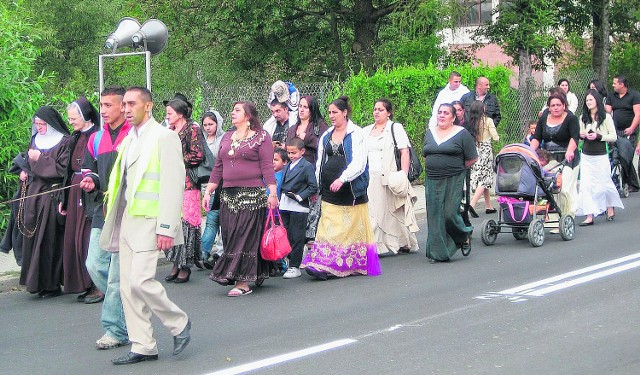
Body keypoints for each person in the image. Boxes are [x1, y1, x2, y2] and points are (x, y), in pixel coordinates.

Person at [100, 86, 191, 365]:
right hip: (127, 220)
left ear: (148, 106)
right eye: (123, 105)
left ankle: (179, 323)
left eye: (131, 104)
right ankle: (143, 345)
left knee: (141, 281)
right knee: (128, 287)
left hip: (151, 222)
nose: (126, 109)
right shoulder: (129, 140)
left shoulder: (164, 137)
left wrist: (167, 227)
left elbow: (174, 184)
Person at [203, 101, 278, 297]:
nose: (232, 113)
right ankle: (255, 271)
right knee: (230, 236)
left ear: (248, 116)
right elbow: (218, 166)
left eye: (237, 110)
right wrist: (209, 191)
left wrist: (272, 192)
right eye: (233, 109)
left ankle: (242, 282)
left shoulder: (262, 137)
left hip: (252, 196)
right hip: (228, 195)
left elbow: (267, 167)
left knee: (243, 236)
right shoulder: (227, 137)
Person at [301, 96, 381, 279]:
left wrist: (342, 179)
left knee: (347, 231)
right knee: (327, 226)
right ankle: (322, 264)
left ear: (345, 113)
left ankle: (346, 263)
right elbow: (320, 161)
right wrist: (317, 185)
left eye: (335, 112)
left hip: (351, 190)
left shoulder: (356, 134)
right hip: (329, 191)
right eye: (329, 112)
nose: (331, 116)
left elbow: (359, 163)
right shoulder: (327, 135)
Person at [80, 86, 131, 348]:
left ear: (123, 107)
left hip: (128, 213)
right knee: (94, 264)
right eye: (101, 105)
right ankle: (127, 301)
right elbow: (89, 170)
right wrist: (90, 180)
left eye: (108, 105)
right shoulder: (96, 139)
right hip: (103, 210)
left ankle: (115, 330)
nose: (103, 110)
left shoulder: (134, 136)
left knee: (114, 278)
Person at [19, 106, 71, 298]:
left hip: (52, 195)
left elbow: (62, 170)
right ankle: (37, 282)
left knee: (49, 241)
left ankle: (51, 284)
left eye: (42, 124)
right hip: (34, 195)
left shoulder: (64, 142)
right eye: (37, 124)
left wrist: (41, 159)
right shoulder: (35, 140)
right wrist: (24, 171)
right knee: (33, 240)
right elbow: (28, 162)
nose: (39, 128)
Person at [422, 103, 477, 263]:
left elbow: (472, 158)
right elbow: (426, 154)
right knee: (434, 215)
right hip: (432, 178)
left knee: (448, 214)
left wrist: (455, 168)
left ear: (453, 118)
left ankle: (463, 235)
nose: (442, 115)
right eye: (440, 112)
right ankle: (438, 252)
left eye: (446, 113)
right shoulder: (430, 132)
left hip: (453, 178)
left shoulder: (462, 134)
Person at [363, 98, 419, 256]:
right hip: (370, 177)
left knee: (395, 210)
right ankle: (374, 245)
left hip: (390, 175)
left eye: (380, 110)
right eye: (375, 109)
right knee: (374, 211)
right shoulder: (366, 130)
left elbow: (404, 151)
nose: (376, 112)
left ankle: (405, 241)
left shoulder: (395, 128)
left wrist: (403, 175)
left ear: (388, 113)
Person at [61, 97, 100, 301]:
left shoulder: (97, 136)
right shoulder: (74, 137)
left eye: (74, 118)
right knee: (74, 240)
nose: (71, 122)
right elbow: (67, 170)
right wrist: (64, 198)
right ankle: (83, 283)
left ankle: (97, 284)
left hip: (91, 191)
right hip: (75, 189)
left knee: (87, 239)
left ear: (85, 116)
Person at [163, 99, 205, 284]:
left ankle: (185, 264)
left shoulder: (192, 129)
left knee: (187, 225)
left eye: (170, 113)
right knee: (172, 222)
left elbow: (197, 154)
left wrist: (176, 158)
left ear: (180, 114)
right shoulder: (168, 131)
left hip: (188, 183)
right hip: (170, 182)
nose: (167, 116)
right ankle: (175, 262)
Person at [529, 91, 580, 218]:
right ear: (549, 107)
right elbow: (537, 138)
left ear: (564, 106)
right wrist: (528, 152)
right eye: (553, 105)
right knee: (550, 188)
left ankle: (567, 216)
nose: (556, 108)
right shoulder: (543, 118)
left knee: (564, 189)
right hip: (549, 158)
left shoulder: (571, 118)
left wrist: (569, 151)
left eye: (558, 105)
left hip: (567, 158)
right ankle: (554, 217)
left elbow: (575, 137)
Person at [576, 89, 623, 225]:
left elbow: (613, 136)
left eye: (591, 99)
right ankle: (589, 215)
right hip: (586, 155)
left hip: (601, 155)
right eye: (587, 100)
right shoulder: (583, 117)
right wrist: (582, 135)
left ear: (596, 100)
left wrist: (599, 136)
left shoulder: (606, 117)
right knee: (586, 185)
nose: (589, 102)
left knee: (603, 183)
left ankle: (609, 206)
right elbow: (579, 136)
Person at [280, 137, 318, 279]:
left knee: (297, 236)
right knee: (287, 235)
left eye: (293, 153)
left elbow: (313, 186)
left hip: (299, 206)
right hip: (285, 204)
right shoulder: (287, 166)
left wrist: (300, 196)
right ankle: (291, 260)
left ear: (302, 151)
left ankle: (294, 266)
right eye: (289, 153)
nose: (290, 156)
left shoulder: (306, 166)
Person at [198, 111, 225, 270]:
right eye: (205, 125)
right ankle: (206, 252)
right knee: (212, 220)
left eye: (211, 124)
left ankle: (212, 252)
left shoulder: (223, 139)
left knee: (218, 220)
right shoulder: (201, 140)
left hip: (221, 183)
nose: (208, 128)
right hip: (206, 184)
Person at [606, 75, 640, 191]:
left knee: (627, 155)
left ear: (622, 84)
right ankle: (629, 183)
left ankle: (631, 183)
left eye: (615, 83)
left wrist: (632, 128)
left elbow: (638, 114)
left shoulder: (634, 95)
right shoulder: (611, 96)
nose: (613, 85)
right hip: (616, 130)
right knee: (618, 155)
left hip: (630, 130)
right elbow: (607, 112)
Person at [468, 100, 500, 216]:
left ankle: (488, 206)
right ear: (483, 109)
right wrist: (496, 137)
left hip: (475, 149)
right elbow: (495, 137)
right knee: (486, 178)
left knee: (480, 174)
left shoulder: (471, 122)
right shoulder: (488, 120)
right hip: (485, 149)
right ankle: (472, 204)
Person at [287, 95, 329, 165]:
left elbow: (326, 145)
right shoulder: (292, 129)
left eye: (305, 107)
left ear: (312, 109)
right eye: (300, 106)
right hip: (294, 169)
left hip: (312, 168)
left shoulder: (320, 126)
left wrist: (307, 138)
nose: (301, 110)